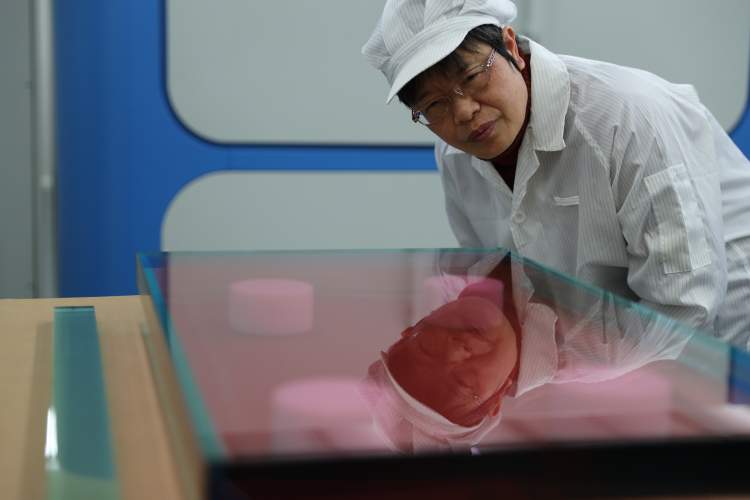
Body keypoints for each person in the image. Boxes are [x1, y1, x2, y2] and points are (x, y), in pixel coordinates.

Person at [361, 0, 750, 348]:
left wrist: (564, 374)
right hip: (607, 353)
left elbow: (683, 306)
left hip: (725, 338)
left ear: (511, 47)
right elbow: (493, 279)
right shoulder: (454, 155)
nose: (464, 112)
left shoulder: (627, 119)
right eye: (434, 104)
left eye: (473, 76)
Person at [360, 251, 696, 453]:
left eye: (428, 349)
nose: (457, 351)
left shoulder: (451, 262)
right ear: (495, 402)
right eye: (462, 383)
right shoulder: (611, 342)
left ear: (412, 330)